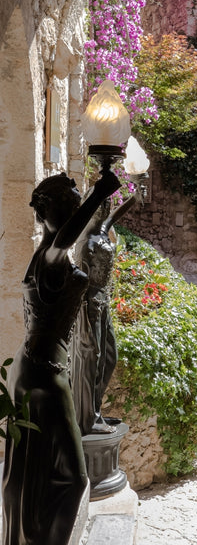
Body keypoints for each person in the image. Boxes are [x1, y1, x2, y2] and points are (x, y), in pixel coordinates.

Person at [1, 169, 120, 545]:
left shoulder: (51, 257)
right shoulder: (50, 255)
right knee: (74, 479)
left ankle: (25, 536)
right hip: (43, 375)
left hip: (37, 366)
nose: (72, 210)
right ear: (44, 212)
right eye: (64, 204)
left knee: (29, 470)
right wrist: (99, 191)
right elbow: (64, 240)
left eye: (74, 202)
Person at [70, 191, 137, 436]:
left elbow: (119, 212)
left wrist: (137, 191)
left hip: (104, 301)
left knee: (109, 356)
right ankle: (89, 418)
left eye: (105, 206)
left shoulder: (101, 230)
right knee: (93, 358)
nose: (104, 210)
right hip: (90, 304)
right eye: (99, 207)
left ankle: (94, 409)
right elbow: (79, 279)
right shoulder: (86, 241)